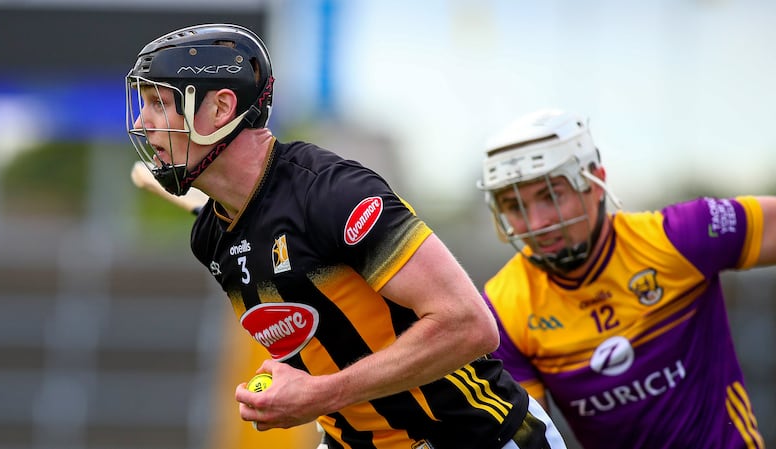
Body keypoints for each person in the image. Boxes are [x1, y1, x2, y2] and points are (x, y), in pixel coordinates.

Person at [125, 23, 568, 449]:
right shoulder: (211, 237)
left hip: (477, 437)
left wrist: (321, 394)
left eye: (158, 103)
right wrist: (294, 385)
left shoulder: (333, 195)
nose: (143, 122)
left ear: (221, 109)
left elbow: (469, 326)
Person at [476, 108, 774, 449]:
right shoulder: (501, 310)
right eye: (515, 206)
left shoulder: (679, 238)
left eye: (551, 195)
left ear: (595, 182)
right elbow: (532, 438)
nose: (536, 222)